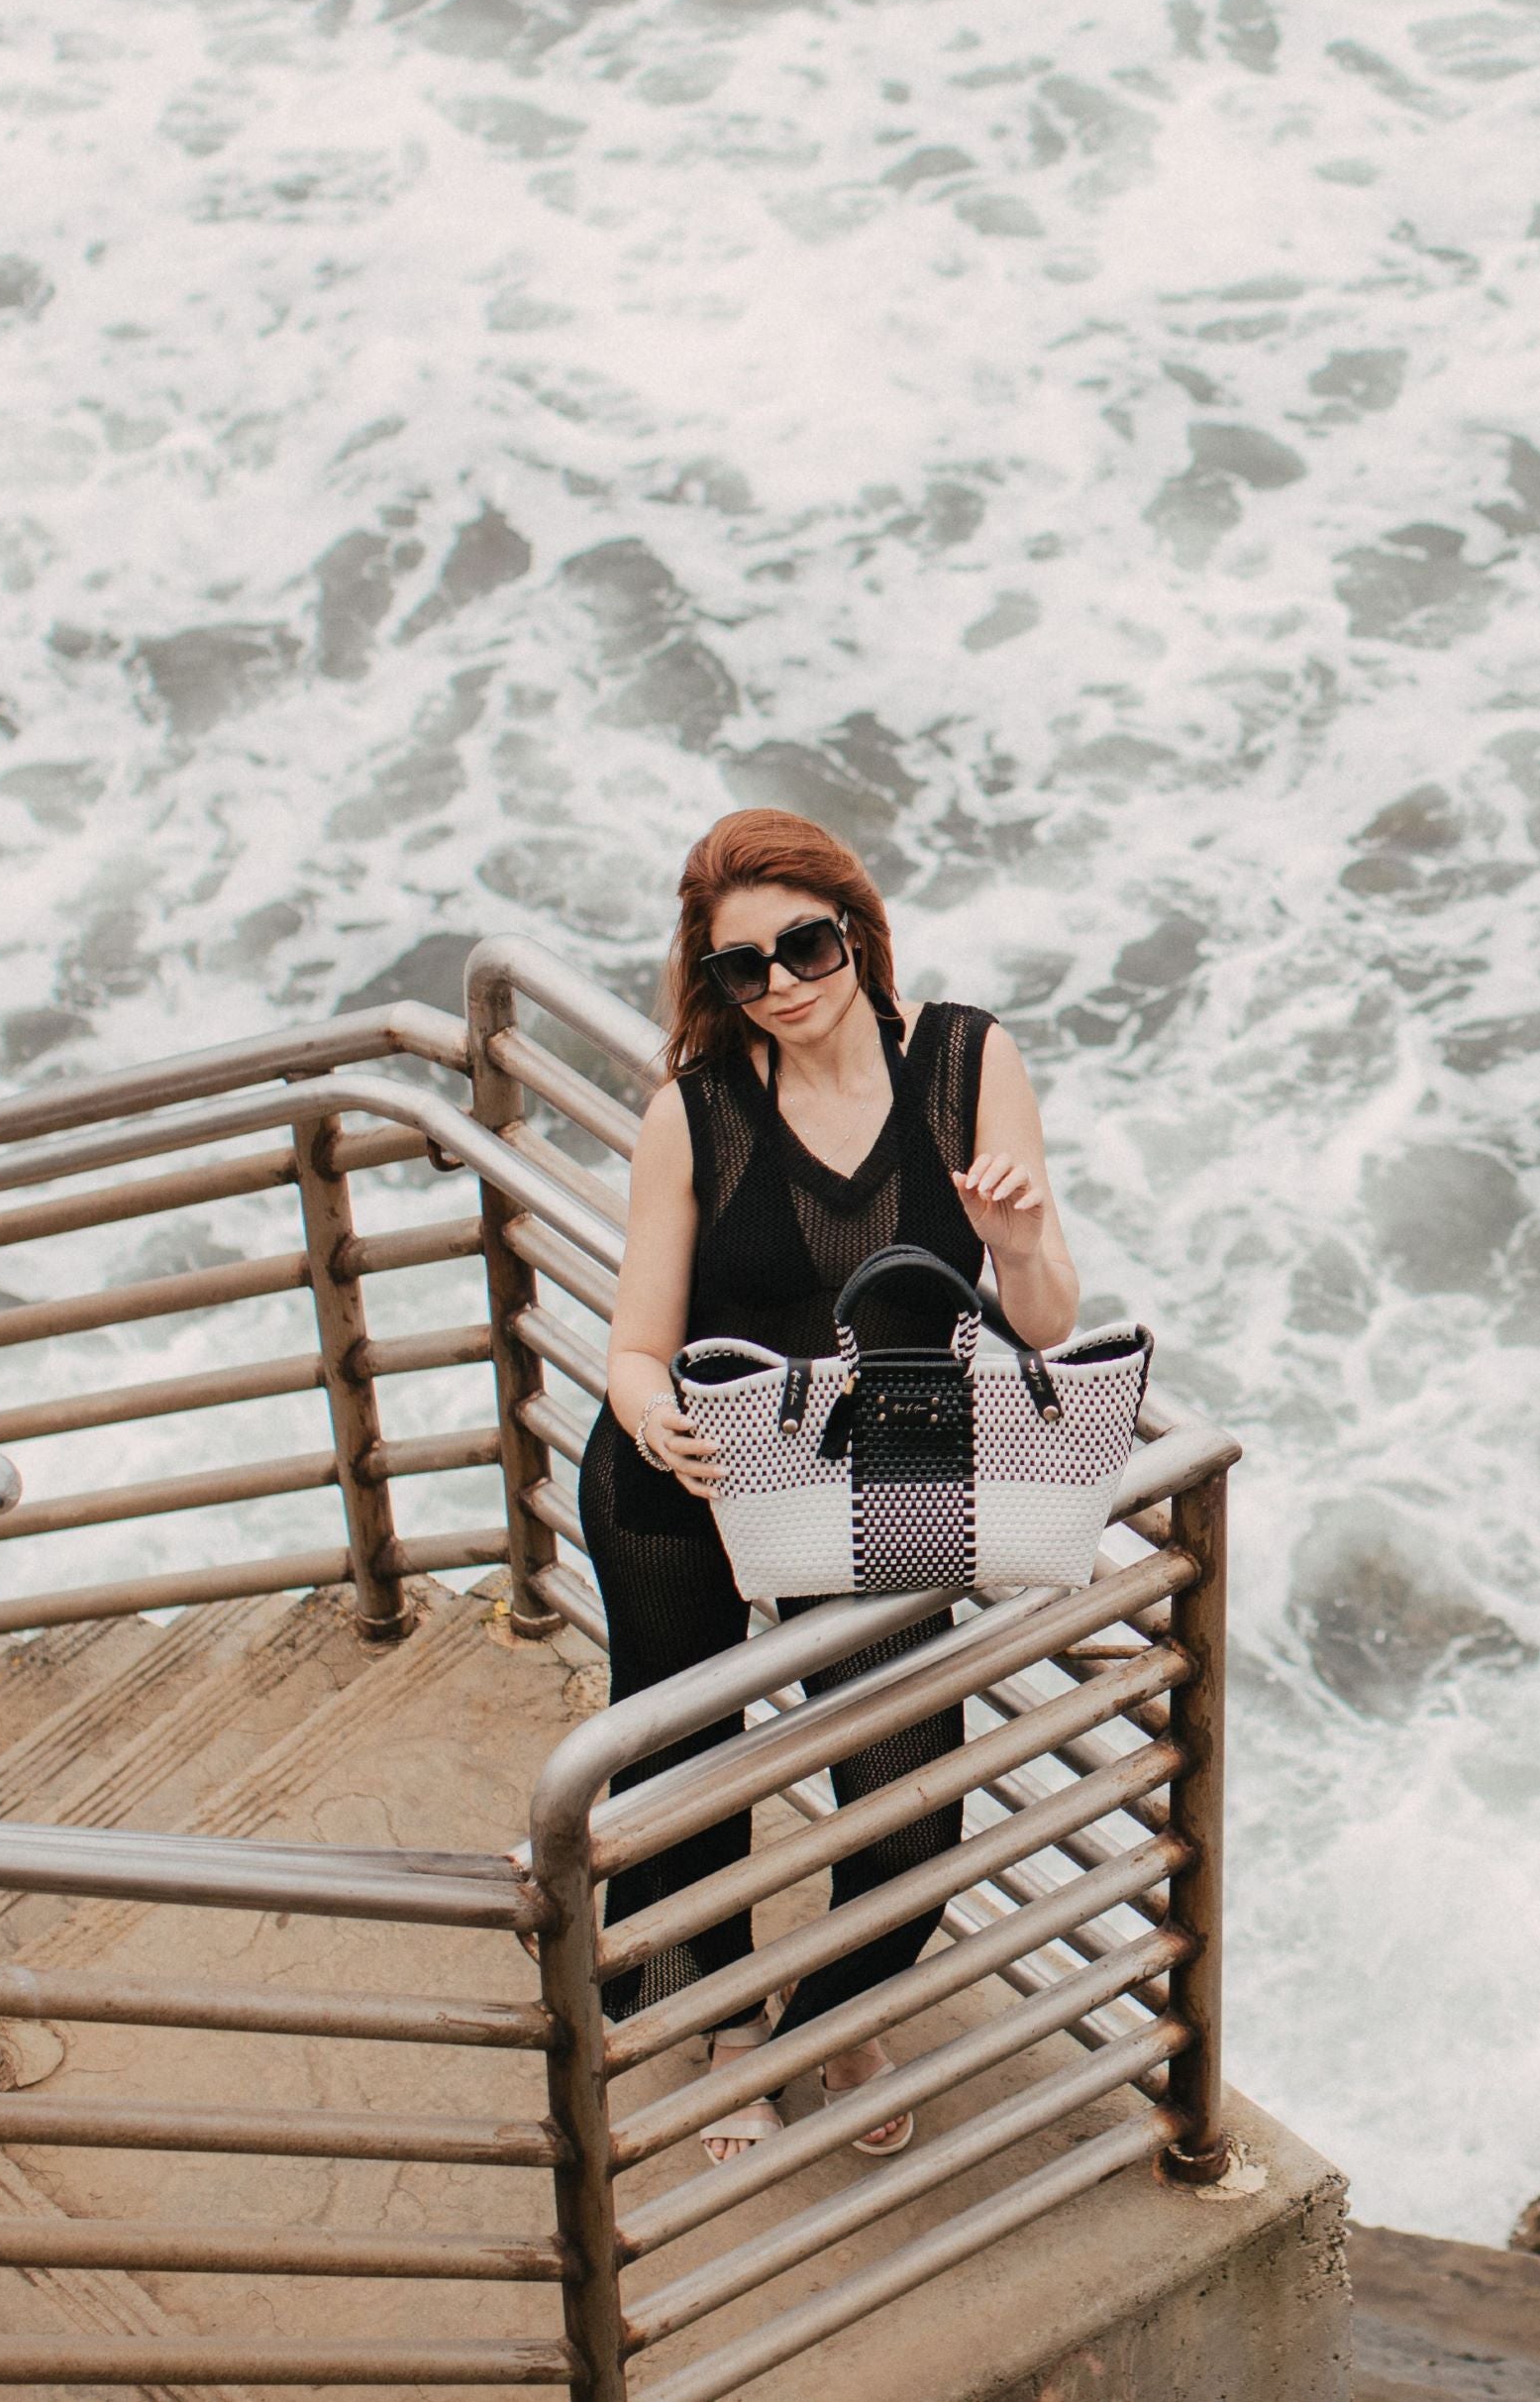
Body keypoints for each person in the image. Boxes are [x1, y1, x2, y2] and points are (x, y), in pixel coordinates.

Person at [585, 807, 1082, 2167]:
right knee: (688, 1763)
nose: (784, 981)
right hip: (700, 1463)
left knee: (909, 1780)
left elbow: (1043, 1322)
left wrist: (1020, 1241)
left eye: (804, 943)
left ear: (855, 926)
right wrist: (656, 1418)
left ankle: (839, 2003)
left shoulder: (973, 1060)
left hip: (886, 1468)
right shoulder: (694, 1113)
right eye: (744, 966)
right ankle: (737, 2029)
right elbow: (635, 1345)